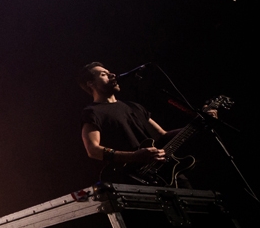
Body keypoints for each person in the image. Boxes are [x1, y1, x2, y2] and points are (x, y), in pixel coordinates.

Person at [78, 62, 216, 185]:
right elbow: (93, 150)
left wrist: (198, 123)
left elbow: (162, 135)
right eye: (103, 74)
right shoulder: (92, 112)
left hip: (164, 173)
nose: (112, 75)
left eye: (109, 72)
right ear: (90, 83)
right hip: (130, 178)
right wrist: (134, 156)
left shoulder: (134, 107)